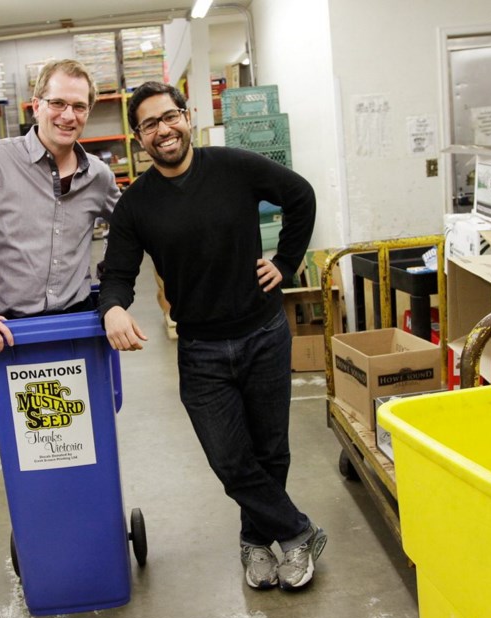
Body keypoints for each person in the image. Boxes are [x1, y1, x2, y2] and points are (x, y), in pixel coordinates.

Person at [98, 81, 325, 591]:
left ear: (187, 116)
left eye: (170, 116)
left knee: (270, 452)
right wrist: (112, 307)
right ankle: (298, 531)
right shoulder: (135, 206)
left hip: (264, 332)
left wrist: (285, 262)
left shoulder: (234, 167)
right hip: (200, 348)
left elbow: (300, 196)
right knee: (229, 459)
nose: (164, 129)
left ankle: (256, 544)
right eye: (150, 124)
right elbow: (117, 272)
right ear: (139, 137)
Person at [0, 59, 120, 353]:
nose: (68, 116)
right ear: (36, 105)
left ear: (87, 112)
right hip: (7, 331)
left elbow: (129, 227)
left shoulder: (98, 176)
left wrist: (111, 274)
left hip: (76, 321)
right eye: (57, 103)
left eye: (79, 106)